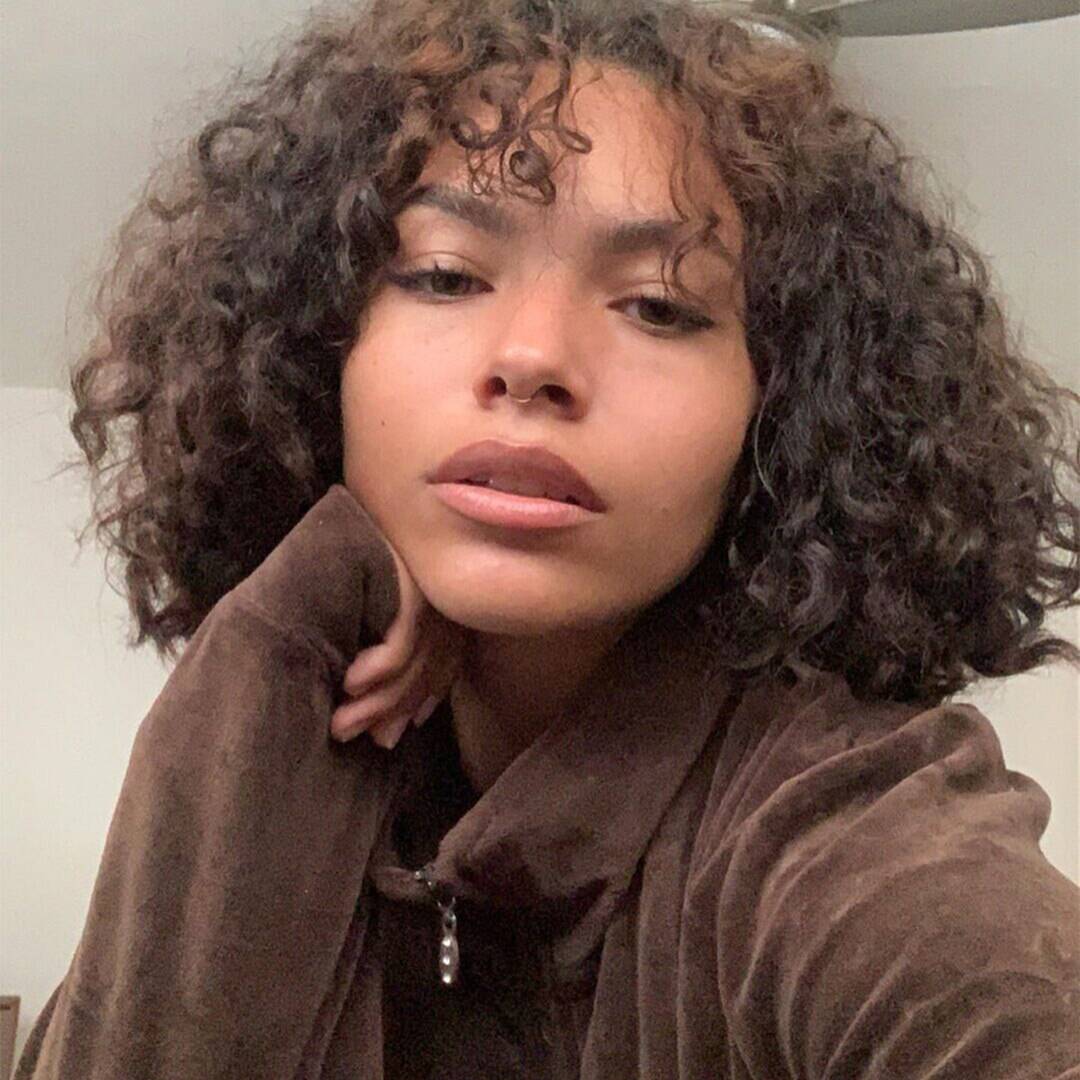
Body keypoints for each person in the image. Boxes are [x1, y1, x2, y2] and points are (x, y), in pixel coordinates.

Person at [16, 0, 1080, 1076]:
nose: (531, 356)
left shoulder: (847, 824)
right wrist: (270, 653)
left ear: (784, 412)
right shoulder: (287, 735)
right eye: (445, 276)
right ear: (314, 346)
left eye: (660, 305)